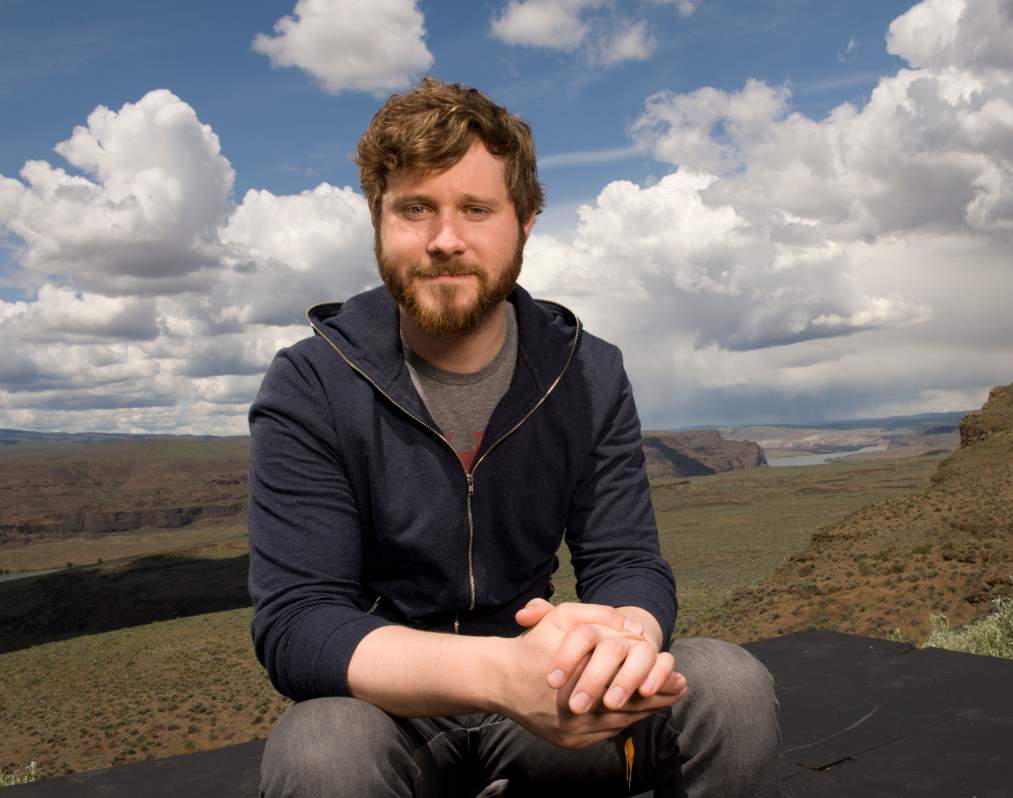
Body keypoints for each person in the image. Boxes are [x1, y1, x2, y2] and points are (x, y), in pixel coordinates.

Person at [248, 77, 781, 797]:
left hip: (554, 689)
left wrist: (618, 645)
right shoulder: (311, 382)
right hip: (393, 710)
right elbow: (299, 622)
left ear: (524, 222)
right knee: (320, 749)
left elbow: (626, 561)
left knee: (730, 688)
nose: (444, 240)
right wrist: (502, 675)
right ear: (378, 220)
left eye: (476, 209)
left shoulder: (587, 372)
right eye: (414, 209)